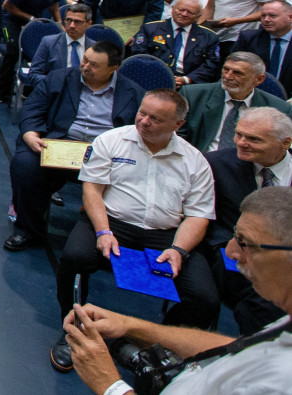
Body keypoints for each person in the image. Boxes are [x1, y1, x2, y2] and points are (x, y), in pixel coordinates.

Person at [49, 89, 219, 373]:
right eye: (142, 113)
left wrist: (178, 250)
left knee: (205, 297)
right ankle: (75, 329)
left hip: (167, 234)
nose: (144, 121)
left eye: (156, 118)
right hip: (112, 222)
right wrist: (103, 231)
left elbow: (198, 215)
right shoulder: (111, 141)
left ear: (177, 125)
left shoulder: (195, 161)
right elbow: (92, 189)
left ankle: (162, 343)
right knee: (75, 258)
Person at [64, 186, 292, 395]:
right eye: (235, 235)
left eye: (245, 242)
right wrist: (131, 326)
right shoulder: (284, 323)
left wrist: (110, 385)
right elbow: (236, 349)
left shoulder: (281, 380)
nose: (231, 252)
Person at [5, 41, 145, 251]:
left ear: (113, 69)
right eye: (85, 60)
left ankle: (112, 237)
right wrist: (30, 133)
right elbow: (33, 108)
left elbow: (141, 130)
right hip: (60, 146)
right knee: (25, 164)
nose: (86, 67)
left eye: (94, 65)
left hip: (106, 156)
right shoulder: (59, 78)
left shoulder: (133, 93)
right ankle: (27, 230)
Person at [202, 106, 291, 337]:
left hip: (284, 253)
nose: (241, 143)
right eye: (239, 134)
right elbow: (205, 216)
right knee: (262, 302)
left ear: (285, 143)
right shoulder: (215, 163)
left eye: (253, 139)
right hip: (230, 251)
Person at [179, 52, 292, 153]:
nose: (228, 76)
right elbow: (178, 137)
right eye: (226, 70)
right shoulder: (193, 95)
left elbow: (278, 149)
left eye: (237, 73)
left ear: (259, 79)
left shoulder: (279, 109)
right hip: (200, 162)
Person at [0, 0, 70, 104]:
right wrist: (31, 18)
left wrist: (59, 23)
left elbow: (54, 4)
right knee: (12, 50)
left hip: (35, 21)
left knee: (41, 51)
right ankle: (0, 91)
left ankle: (30, 89)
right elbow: (7, 5)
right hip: (10, 20)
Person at [128, 0, 222, 87]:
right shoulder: (150, 29)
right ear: (172, 9)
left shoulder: (209, 37)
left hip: (189, 84)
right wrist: (159, 75)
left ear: (198, 16)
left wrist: (187, 79)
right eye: (181, 10)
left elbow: (211, 65)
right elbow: (139, 54)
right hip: (152, 78)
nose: (184, 14)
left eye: (190, 12)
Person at [233, 0, 292, 93]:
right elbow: (234, 67)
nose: (266, 19)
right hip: (253, 94)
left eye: (273, 16)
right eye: (263, 16)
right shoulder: (248, 39)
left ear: (290, 17)